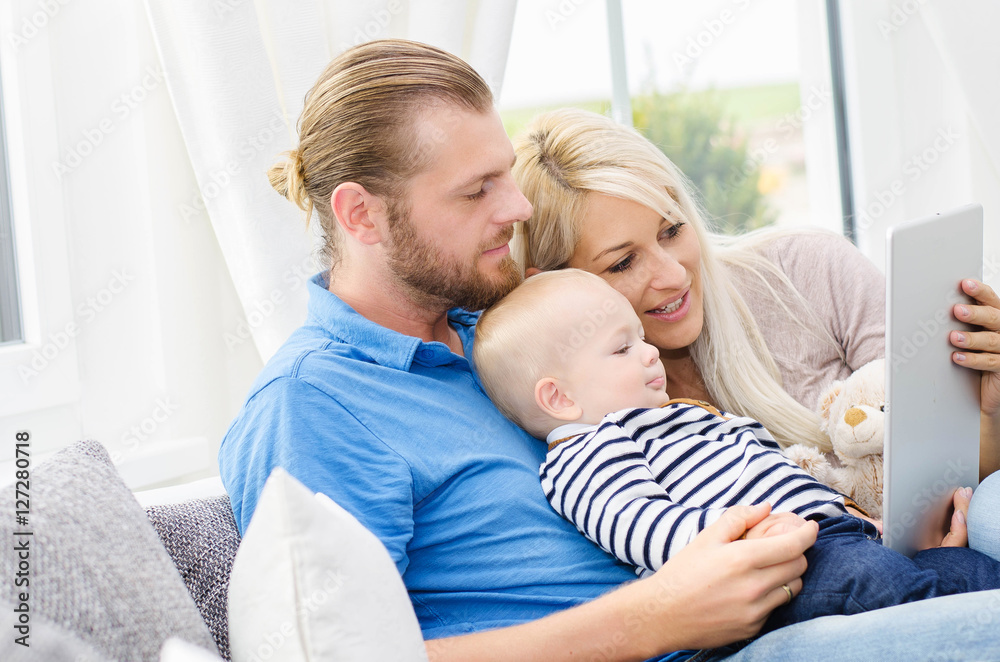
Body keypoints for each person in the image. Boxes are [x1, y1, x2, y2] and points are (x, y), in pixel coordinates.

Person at [219, 39, 1000, 662]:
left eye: (506, 176)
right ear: (361, 215)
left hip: (771, 607)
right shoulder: (314, 403)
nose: (516, 207)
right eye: (477, 190)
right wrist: (652, 617)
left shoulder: (500, 334)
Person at [473, 267, 1000, 632]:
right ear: (559, 398)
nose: (650, 352)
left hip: (838, 538)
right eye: (622, 348)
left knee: (966, 572)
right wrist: (744, 539)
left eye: (641, 337)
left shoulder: (680, 417)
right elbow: (640, 526)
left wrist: (853, 514)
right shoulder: (588, 452)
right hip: (776, 573)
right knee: (891, 591)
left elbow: (779, 472)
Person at [511, 106, 1000, 482]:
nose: (674, 276)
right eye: (623, 263)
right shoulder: (570, 413)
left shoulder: (809, 269)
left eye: (672, 230)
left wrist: (990, 413)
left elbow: (962, 472)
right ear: (552, 285)